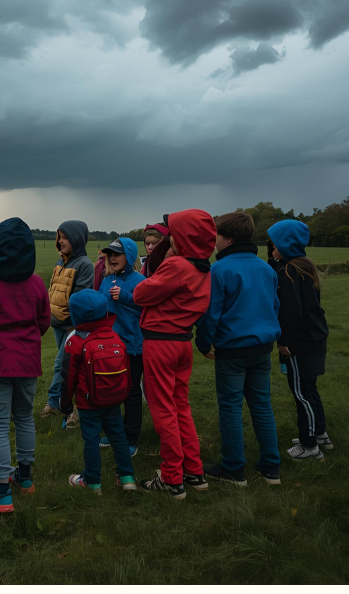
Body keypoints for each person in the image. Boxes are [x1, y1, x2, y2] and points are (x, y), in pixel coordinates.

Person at [0, 217, 51, 513]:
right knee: (25, 417)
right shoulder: (37, 283)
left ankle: (1, 489)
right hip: (28, 362)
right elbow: (44, 322)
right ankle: (25, 478)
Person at [133, 209, 216, 499]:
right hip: (182, 342)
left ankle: (171, 477)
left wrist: (166, 259)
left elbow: (140, 295)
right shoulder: (203, 269)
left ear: (183, 238)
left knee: (163, 410)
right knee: (181, 406)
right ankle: (194, 471)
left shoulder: (177, 265)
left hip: (160, 343)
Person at [195, 212, 282, 486]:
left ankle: (233, 469)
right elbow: (275, 307)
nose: (214, 242)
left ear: (229, 239)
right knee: (262, 405)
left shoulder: (219, 270)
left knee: (231, 408)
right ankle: (271, 468)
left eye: (217, 236)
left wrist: (203, 343)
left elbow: (211, 314)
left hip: (232, 350)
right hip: (262, 348)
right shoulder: (267, 269)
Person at [59, 289, 138, 493]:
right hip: (114, 399)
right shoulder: (114, 335)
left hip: (88, 402)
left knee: (91, 440)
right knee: (118, 436)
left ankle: (92, 481)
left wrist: (65, 405)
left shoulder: (75, 340)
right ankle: (127, 477)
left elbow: (68, 377)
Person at [267, 219, 332, 460]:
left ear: (285, 245)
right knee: (310, 389)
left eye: (273, 244)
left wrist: (284, 341)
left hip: (298, 343)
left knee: (302, 394)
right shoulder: (303, 266)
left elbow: (290, 312)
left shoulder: (289, 272)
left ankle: (309, 445)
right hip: (314, 339)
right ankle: (319, 433)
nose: (271, 248)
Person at [42, 220, 94, 427]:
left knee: (61, 365)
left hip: (72, 325)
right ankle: (65, 403)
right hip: (57, 323)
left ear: (76, 239)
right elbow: (53, 290)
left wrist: (75, 324)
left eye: (64, 237)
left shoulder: (84, 265)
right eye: (59, 237)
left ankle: (54, 403)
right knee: (66, 366)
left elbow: (80, 297)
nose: (60, 241)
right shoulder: (60, 262)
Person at [96, 237, 145, 455]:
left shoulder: (140, 281)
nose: (113, 258)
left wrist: (125, 297)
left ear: (130, 256)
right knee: (113, 390)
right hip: (109, 345)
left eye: (117, 254)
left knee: (131, 391)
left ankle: (131, 437)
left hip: (132, 346)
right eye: (110, 255)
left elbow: (147, 308)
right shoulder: (107, 279)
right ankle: (116, 432)